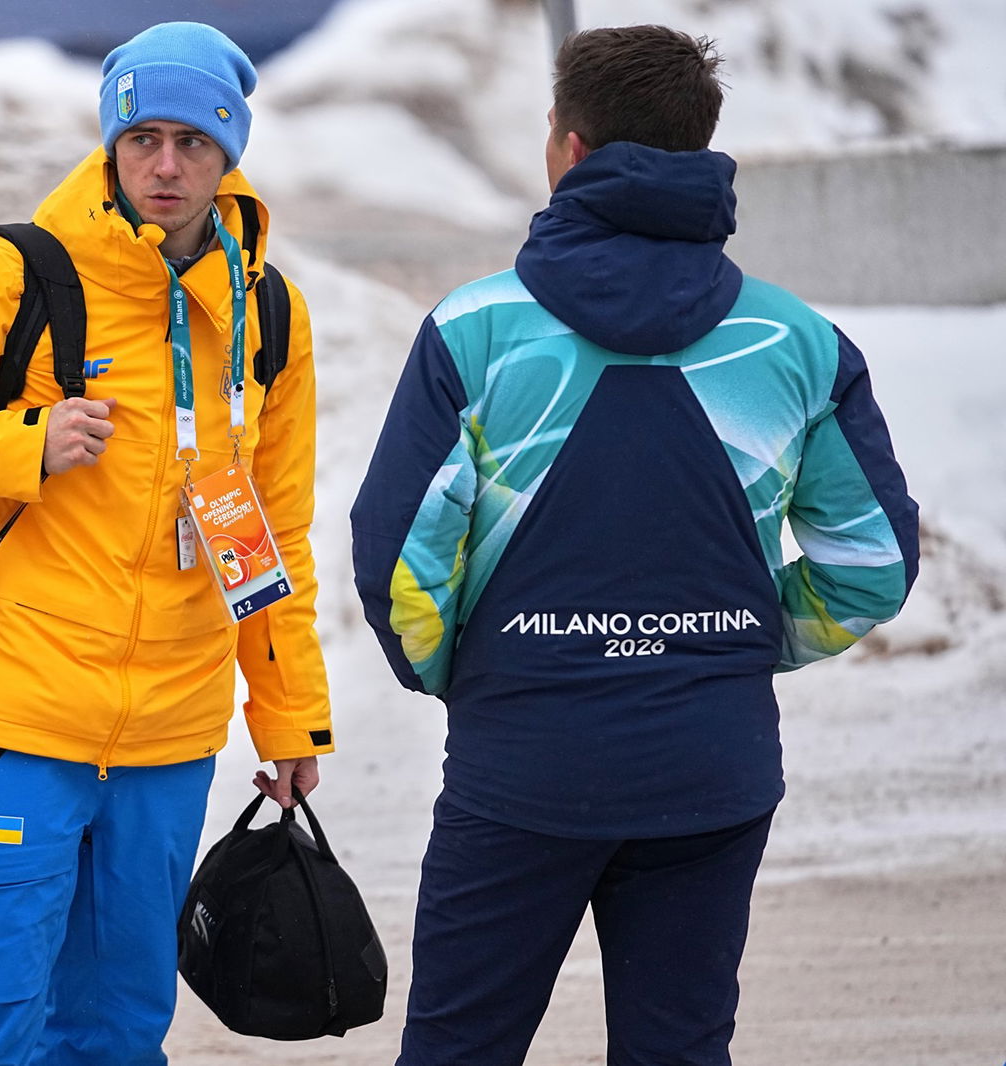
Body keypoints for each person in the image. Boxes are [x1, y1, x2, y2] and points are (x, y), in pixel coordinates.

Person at [351, 24, 918, 1066]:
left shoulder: (474, 331)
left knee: (458, 1049)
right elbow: (870, 562)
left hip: (523, 765)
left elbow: (400, 564)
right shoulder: (796, 340)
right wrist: (738, 645)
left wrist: (474, 674)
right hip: (710, 767)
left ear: (568, 149)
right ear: (701, 149)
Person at [0, 21, 332, 1066]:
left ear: (229, 152)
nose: (165, 166)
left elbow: (271, 529)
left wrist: (288, 717)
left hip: (170, 741)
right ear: (111, 144)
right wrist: (21, 443)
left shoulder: (267, 313)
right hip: (16, 722)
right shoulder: (16, 272)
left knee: (116, 1031)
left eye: (193, 141)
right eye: (143, 138)